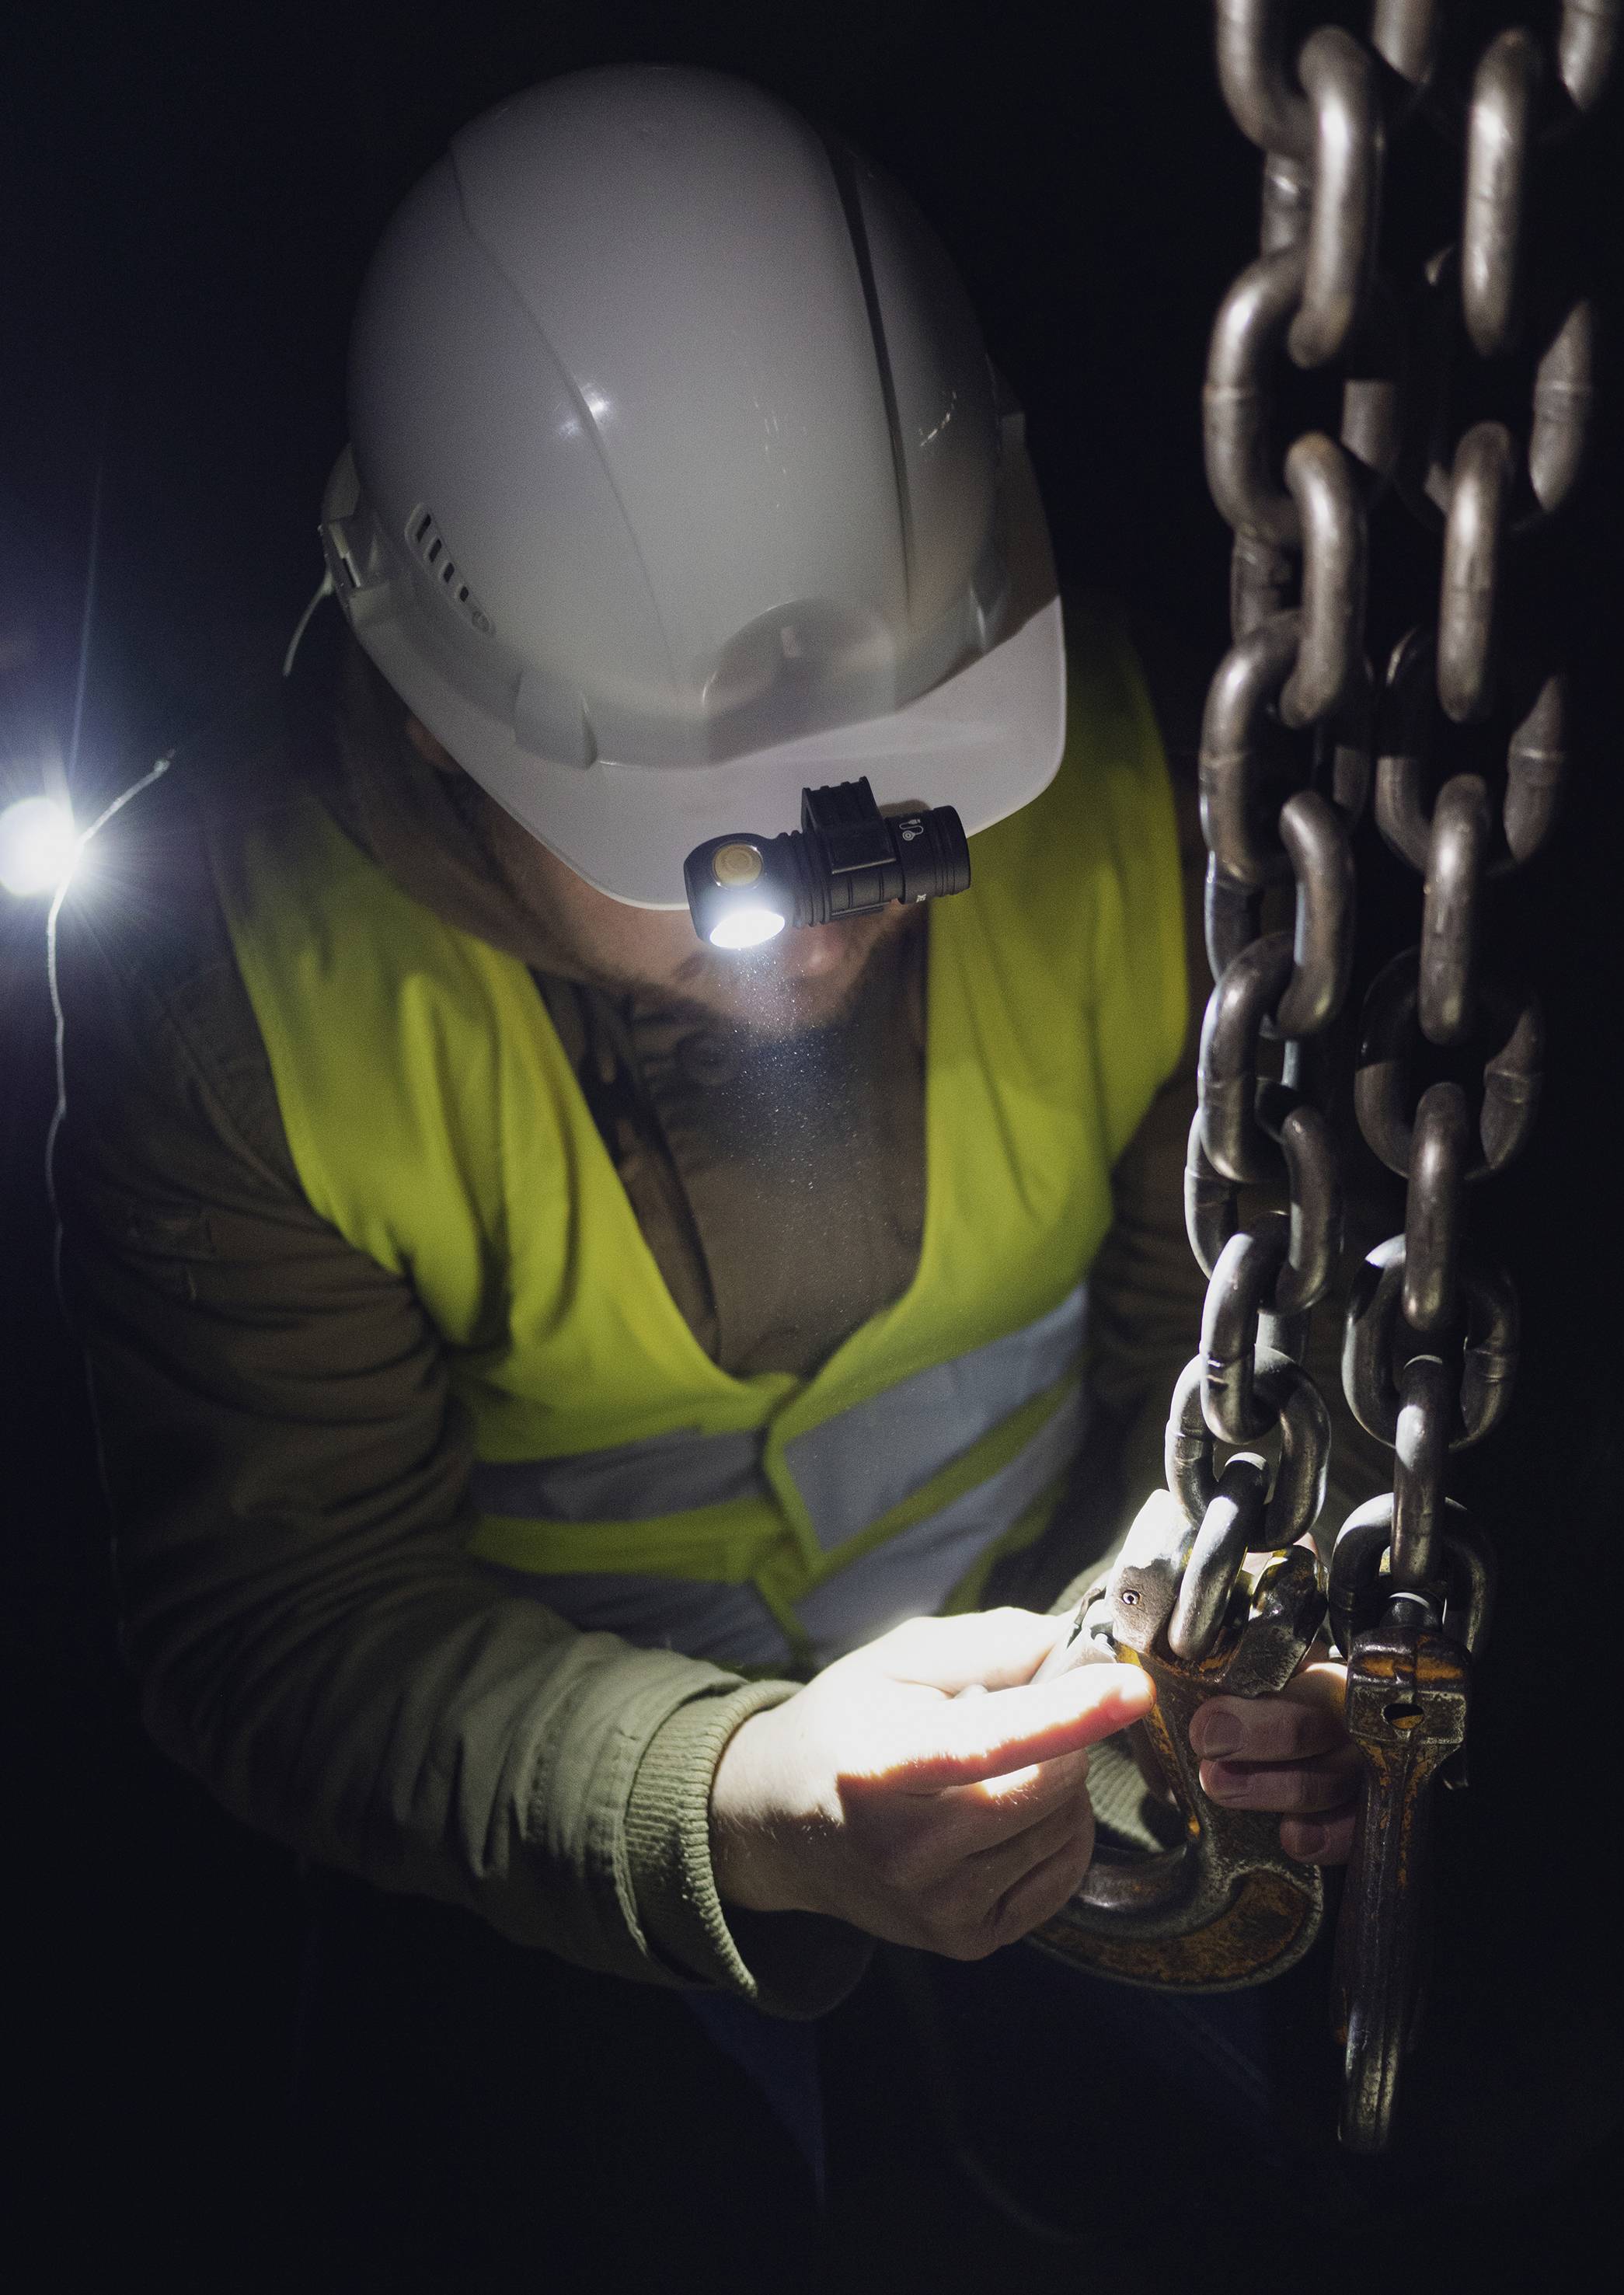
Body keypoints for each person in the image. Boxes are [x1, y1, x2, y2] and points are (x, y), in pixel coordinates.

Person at [51, 64, 1368, 2285]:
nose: (838, 915)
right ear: (459, 742)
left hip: (1059, 1733)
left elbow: (1214, 1356)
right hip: (553, 1830)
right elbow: (285, 1618)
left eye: (907, 814)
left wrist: (1179, 1632)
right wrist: (737, 1808)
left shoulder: (1149, 799)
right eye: (717, 868)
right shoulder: (242, 1002)